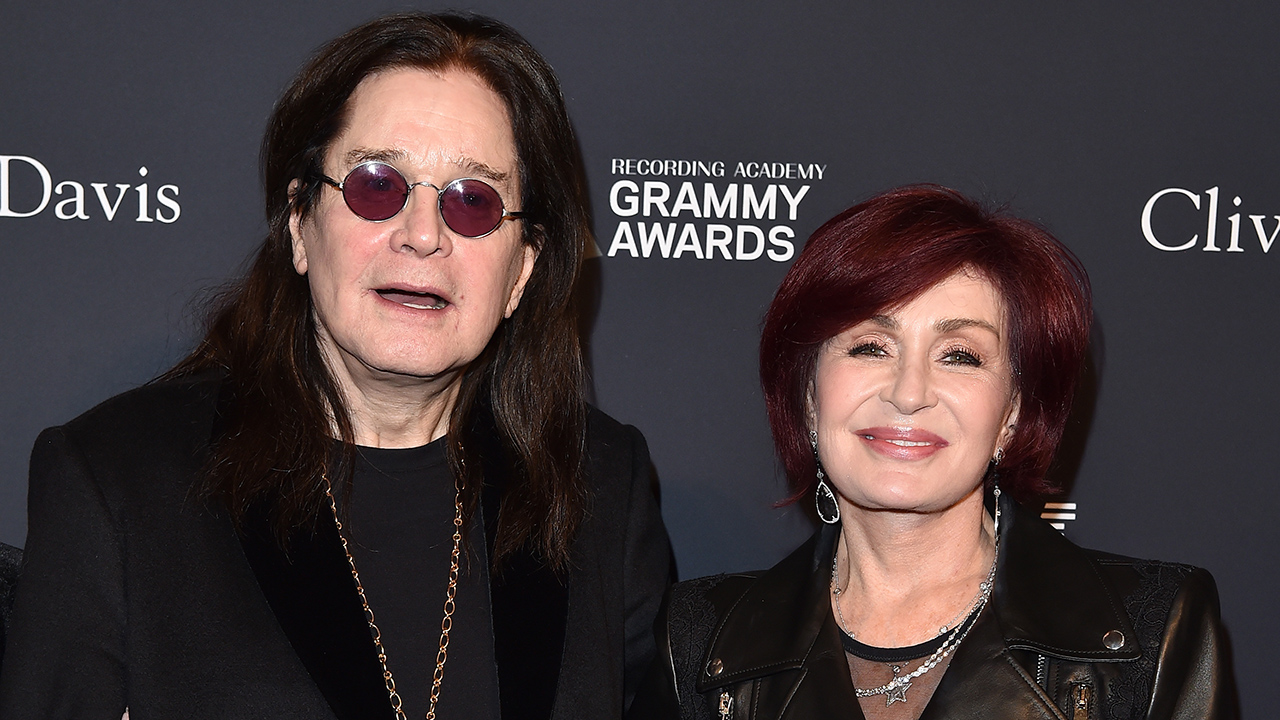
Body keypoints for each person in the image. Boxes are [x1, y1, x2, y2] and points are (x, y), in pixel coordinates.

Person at [0, 12, 671, 720]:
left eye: (472, 202)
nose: (422, 236)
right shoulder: (117, 481)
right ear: (300, 224)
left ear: (522, 268)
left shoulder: (601, 484)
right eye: (377, 185)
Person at [629, 185, 1234, 720]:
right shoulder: (699, 644)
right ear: (809, 397)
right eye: (870, 346)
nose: (909, 392)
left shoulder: (1151, 636)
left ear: (1013, 413)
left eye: (959, 356)